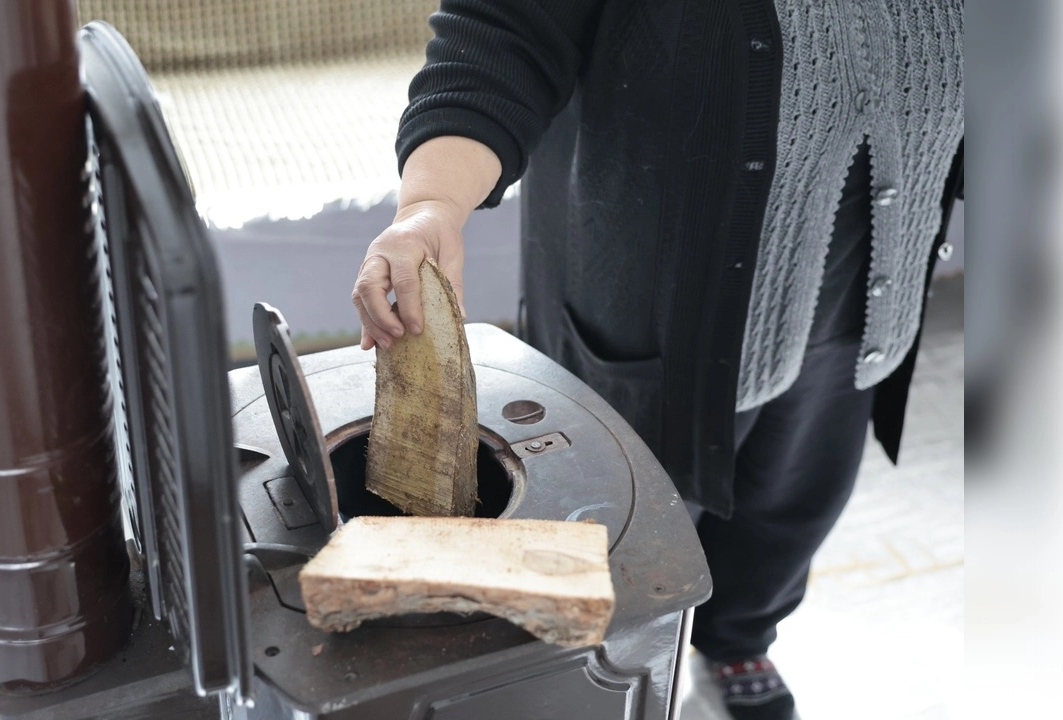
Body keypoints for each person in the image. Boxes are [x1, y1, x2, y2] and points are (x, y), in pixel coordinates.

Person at [350, 1, 963, 718]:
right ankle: (596, 678)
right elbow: (505, 30)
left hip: (862, 284)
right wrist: (430, 205)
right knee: (618, 532)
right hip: (655, 303)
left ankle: (737, 637)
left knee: (796, 494)